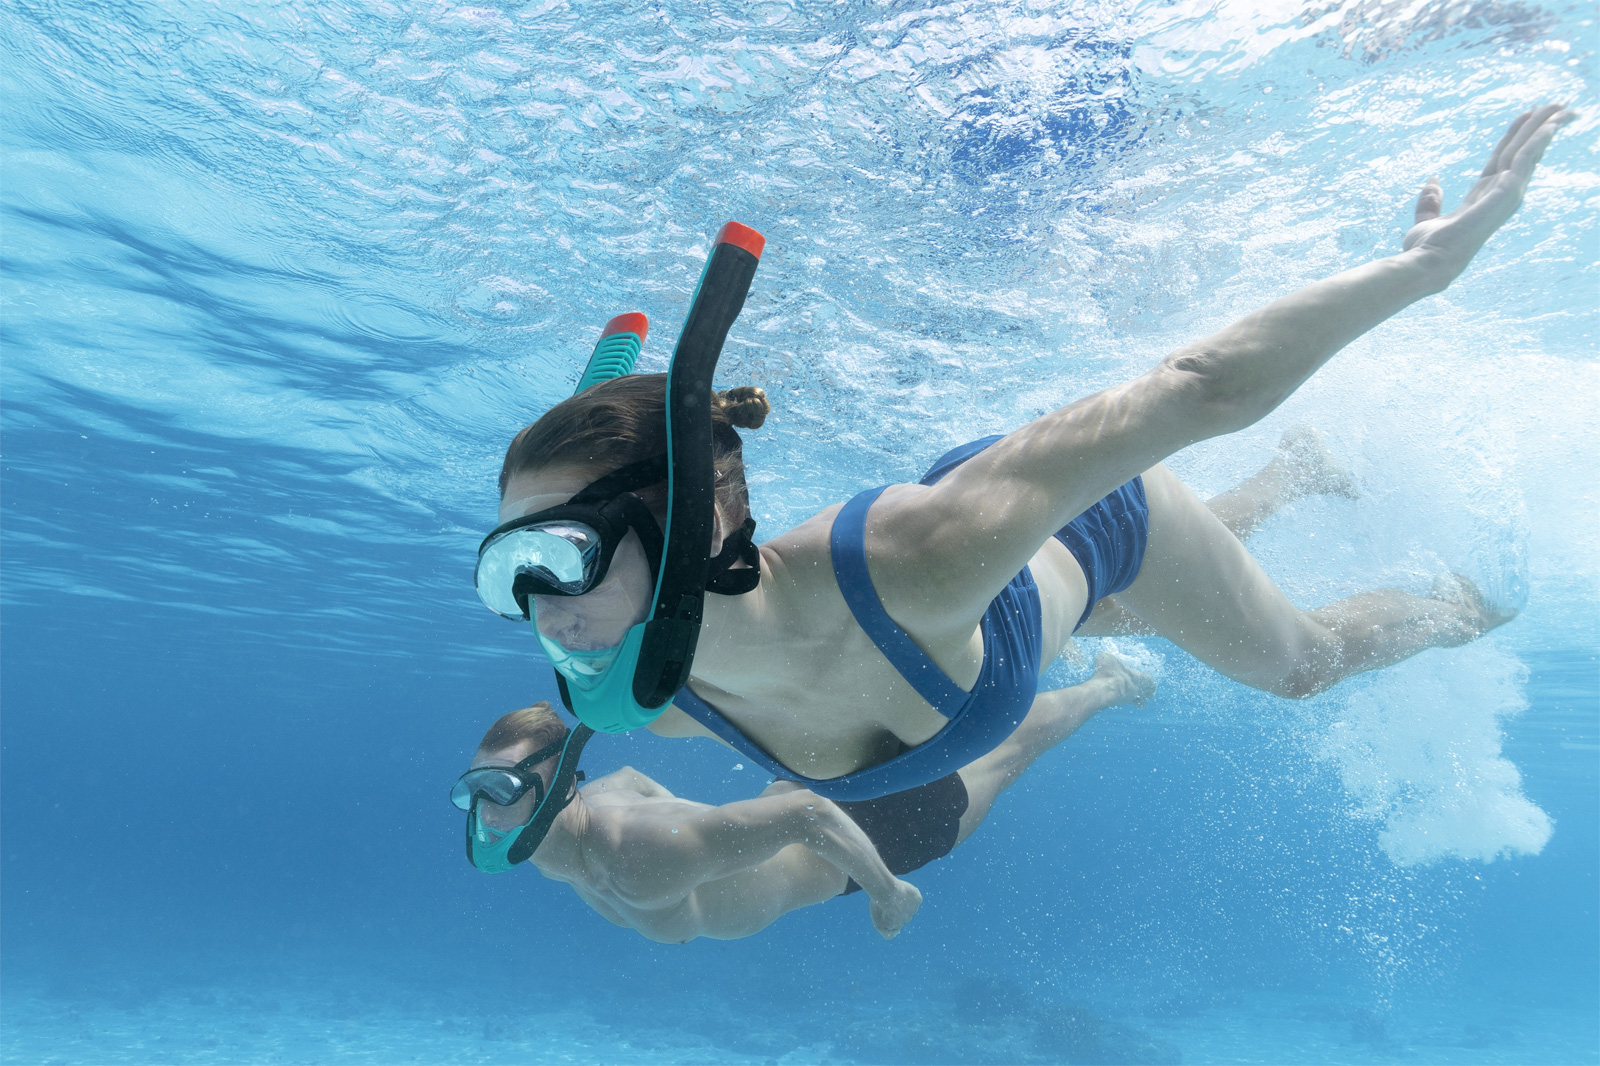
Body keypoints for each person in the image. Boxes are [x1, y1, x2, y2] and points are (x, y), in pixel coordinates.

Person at [488, 105, 1572, 796]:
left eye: (562, 554)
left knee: (1300, 665)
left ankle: (1469, 603)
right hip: (1013, 592)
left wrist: (1417, 272)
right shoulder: (640, 693)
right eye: (511, 570)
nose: (541, 609)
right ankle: (1296, 474)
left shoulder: (914, 559)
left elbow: (1194, 389)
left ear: (699, 516)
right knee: (1137, 602)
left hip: (1091, 528)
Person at [457, 653, 1153, 944]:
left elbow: (808, 816)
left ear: (560, 787)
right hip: (806, 787)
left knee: (1007, 753)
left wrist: (888, 895)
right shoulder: (557, 842)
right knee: (978, 738)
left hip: (866, 837)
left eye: (502, 788)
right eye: (475, 792)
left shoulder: (638, 852)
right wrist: (699, 827)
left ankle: (1109, 683)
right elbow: (633, 778)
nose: (486, 811)